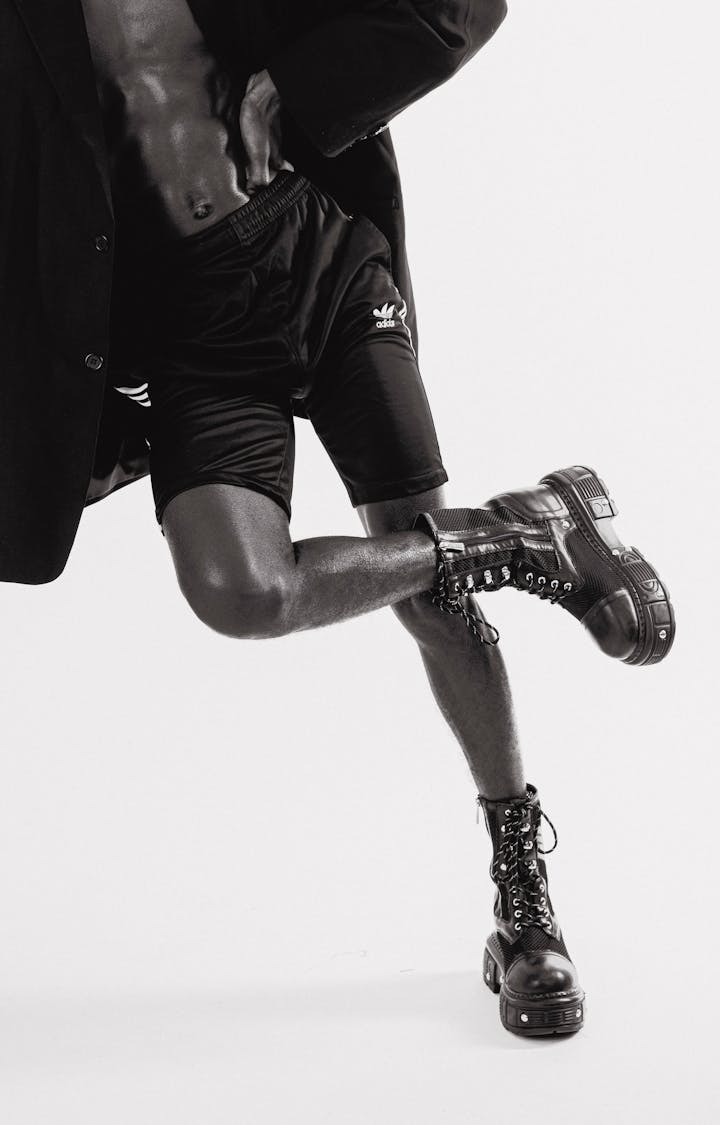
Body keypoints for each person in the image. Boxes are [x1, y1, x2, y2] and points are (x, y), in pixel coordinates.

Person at [0, 0, 674, 1038]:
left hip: (312, 257)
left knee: (434, 608)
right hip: (188, 333)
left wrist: (297, 92)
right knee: (241, 594)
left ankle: (526, 912)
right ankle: (522, 535)